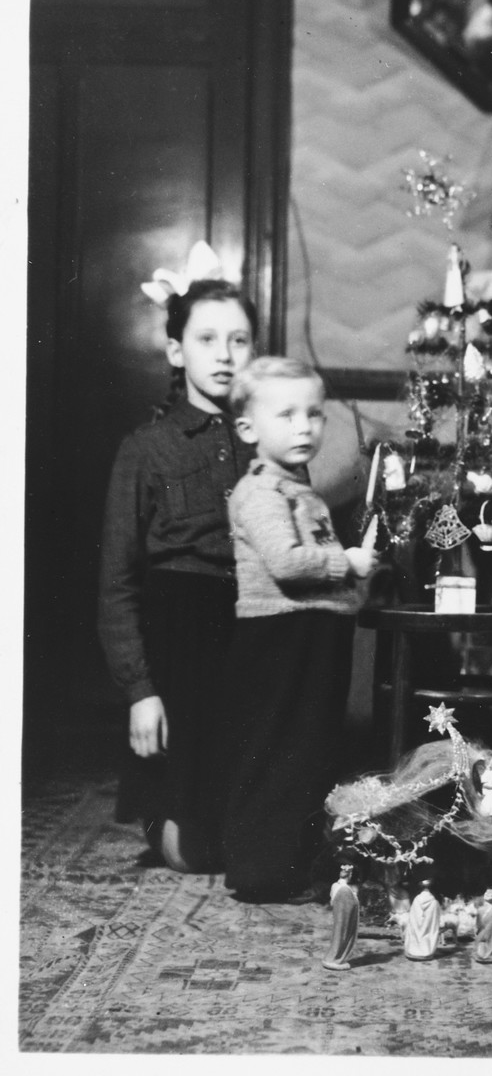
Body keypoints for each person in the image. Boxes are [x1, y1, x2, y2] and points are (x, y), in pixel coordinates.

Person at [98, 277, 257, 873]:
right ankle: (171, 808)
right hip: (180, 652)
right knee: (198, 853)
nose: (224, 354)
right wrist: (140, 692)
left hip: (251, 638)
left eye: (238, 339)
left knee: (267, 841)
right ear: (175, 351)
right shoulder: (147, 449)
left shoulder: (267, 443)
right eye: (207, 338)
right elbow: (117, 582)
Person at [219, 357, 378, 902]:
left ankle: (294, 862)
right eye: (285, 414)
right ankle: (261, 868)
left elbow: (324, 569)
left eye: (314, 414)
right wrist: (347, 565)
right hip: (279, 641)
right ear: (247, 429)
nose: (304, 426)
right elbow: (288, 564)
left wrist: (356, 585)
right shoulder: (260, 492)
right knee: (277, 749)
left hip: (313, 636)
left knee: (310, 749)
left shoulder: (301, 490)